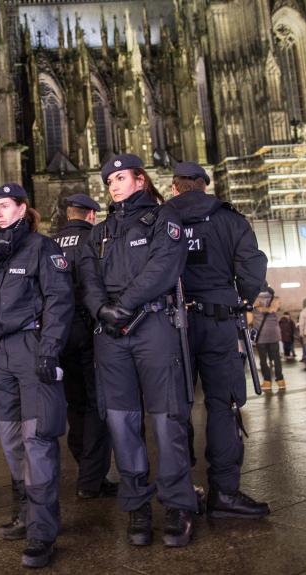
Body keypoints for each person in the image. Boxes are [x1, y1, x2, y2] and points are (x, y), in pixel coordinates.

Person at [79, 154, 198, 549]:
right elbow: (88, 277)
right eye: (109, 179)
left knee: (168, 421)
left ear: (140, 180)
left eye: (120, 177)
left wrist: (123, 304)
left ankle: (178, 506)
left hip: (154, 327)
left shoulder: (164, 219)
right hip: (111, 333)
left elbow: (164, 267)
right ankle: (137, 507)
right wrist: (101, 309)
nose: (113, 185)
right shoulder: (101, 232)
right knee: (121, 423)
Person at [0, 183, 73, 568]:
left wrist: (50, 349)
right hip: (0, 354)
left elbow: (60, 300)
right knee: (9, 439)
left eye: (6, 206)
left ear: (23, 208)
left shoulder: (42, 248)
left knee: (37, 439)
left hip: (31, 347)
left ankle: (43, 530)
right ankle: (26, 510)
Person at [166, 160, 271, 521]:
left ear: (175, 187)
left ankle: (182, 496)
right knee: (223, 405)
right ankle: (224, 493)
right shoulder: (229, 218)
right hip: (220, 320)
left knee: (176, 408)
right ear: (204, 185)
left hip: (171, 325)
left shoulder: (160, 219)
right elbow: (253, 266)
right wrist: (239, 297)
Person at [51, 193, 116, 500]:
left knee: (74, 404)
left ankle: (84, 468)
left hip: (61, 332)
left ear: (67, 214)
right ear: (91, 215)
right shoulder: (96, 240)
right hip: (91, 329)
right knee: (96, 404)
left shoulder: (50, 243)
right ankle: (92, 479)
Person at [252, 288, 284, 389]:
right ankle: (280, 380)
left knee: (263, 359)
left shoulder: (254, 300)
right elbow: (277, 311)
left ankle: (267, 382)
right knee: (277, 358)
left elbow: (249, 318)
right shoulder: (275, 299)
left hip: (261, 335)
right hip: (274, 333)